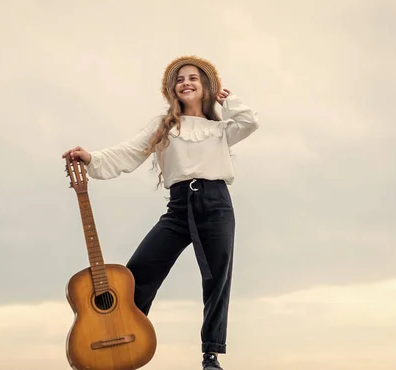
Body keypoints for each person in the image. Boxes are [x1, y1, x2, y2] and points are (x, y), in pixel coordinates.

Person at [61, 55, 259, 370]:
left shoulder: (221, 127)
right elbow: (128, 152)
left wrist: (230, 101)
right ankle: (121, 342)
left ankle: (211, 355)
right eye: (180, 79)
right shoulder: (163, 126)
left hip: (217, 203)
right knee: (136, 274)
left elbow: (249, 123)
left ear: (205, 86)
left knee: (218, 279)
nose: (186, 83)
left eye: (194, 78)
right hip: (179, 207)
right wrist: (91, 157)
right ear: (172, 89)